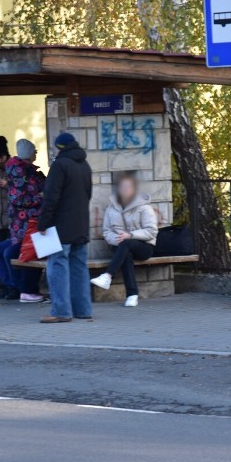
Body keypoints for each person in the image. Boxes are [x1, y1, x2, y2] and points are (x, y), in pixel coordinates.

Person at [37, 132, 93, 323]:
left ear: (59, 147)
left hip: (61, 226)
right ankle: (83, 309)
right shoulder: (84, 165)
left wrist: (43, 223)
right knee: (79, 267)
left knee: (57, 266)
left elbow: (51, 197)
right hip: (81, 224)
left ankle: (61, 311)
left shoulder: (60, 165)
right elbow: (88, 194)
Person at [0, 139, 46, 303]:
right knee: (21, 254)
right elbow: (19, 198)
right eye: (34, 150)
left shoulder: (23, 171)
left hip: (22, 224)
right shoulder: (23, 173)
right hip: (29, 224)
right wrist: (39, 197)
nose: (36, 153)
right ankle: (23, 289)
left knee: (7, 252)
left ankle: (18, 288)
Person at [91, 174, 158, 307]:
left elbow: (152, 231)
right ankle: (132, 295)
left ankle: (108, 276)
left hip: (143, 247)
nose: (124, 190)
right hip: (120, 245)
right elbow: (107, 231)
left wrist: (130, 235)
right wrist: (118, 239)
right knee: (125, 253)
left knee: (126, 245)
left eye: (128, 187)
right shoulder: (112, 208)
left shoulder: (144, 207)